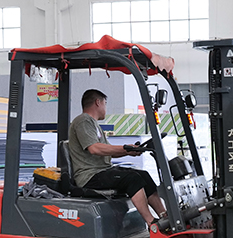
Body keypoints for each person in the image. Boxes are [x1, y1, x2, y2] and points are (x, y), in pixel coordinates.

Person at [68, 89, 167, 225]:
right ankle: (152, 223)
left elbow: (109, 151)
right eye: (105, 103)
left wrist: (129, 151)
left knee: (144, 175)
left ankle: (164, 216)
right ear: (98, 102)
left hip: (102, 171)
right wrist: (125, 148)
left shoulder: (94, 125)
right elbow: (94, 148)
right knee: (132, 179)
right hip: (90, 176)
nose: (106, 108)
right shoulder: (83, 121)